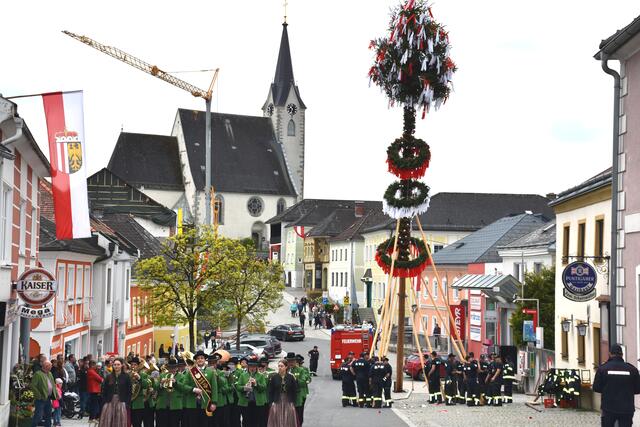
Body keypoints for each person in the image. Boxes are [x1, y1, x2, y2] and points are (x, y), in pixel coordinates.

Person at [594, 344, 640, 427]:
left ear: (610, 354)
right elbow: (638, 389)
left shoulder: (602, 369)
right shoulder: (632, 369)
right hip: (626, 408)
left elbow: (596, 388)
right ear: (622, 355)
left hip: (608, 407)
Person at [179, 350, 217, 427]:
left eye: (202, 358)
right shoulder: (190, 371)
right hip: (192, 403)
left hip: (206, 403)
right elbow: (183, 386)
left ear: (205, 360)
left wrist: (214, 402)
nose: (200, 359)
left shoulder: (211, 372)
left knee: (205, 424)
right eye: (198, 358)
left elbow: (214, 388)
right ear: (196, 360)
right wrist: (193, 389)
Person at [236, 356, 267, 427]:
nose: (252, 368)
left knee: (257, 421)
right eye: (250, 366)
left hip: (257, 403)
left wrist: (256, 384)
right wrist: (245, 387)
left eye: (254, 366)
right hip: (246, 402)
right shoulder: (243, 375)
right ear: (248, 367)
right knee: (246, 421)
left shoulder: (261, 376)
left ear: (256, 367)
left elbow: (264, 387)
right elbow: (238, 387)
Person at [99, 357, 131, 427]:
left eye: (118, 364)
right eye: (115, 364)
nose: (116, 366)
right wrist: (105, 402)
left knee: (120, 421)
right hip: (109, 402)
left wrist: (127, 403)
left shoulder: (126, 377)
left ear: (122, 365)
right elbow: (104, 390)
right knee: (108, 421)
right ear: (113, 365)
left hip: (121, 402)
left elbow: (129, 391)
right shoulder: (109, 376)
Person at [266, 359, 298, 427]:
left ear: (286, 367)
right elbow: (270, 391)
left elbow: (294, 390)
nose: (280, 367)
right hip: (277, 400)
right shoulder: (274, 377)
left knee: (288, 418)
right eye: (279, 366)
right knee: (277, 418)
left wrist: (293, 402)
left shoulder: (291, 377)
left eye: (282, 366)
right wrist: (271, 403)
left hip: (288, 400)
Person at [31, 360, 59, 427]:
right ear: (46, 366)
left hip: (48, 398)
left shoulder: (50, 374)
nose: (51, 367)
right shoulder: (38, 374)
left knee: (48, 415)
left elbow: (53, 384)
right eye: (50, 366)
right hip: (40, 399)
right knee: (38, 415)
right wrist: (39, 396)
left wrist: (56, 393)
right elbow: (33, 386)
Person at [87, 360, 104, 425]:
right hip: (94, 390)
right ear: (92, 365)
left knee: (95, 404)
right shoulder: (91, 371)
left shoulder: (91, 371)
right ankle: (92, 418)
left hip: (93, 390)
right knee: (95, 404)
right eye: (95, 365)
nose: (96, 367)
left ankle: (94, 417)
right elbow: (100, 379)